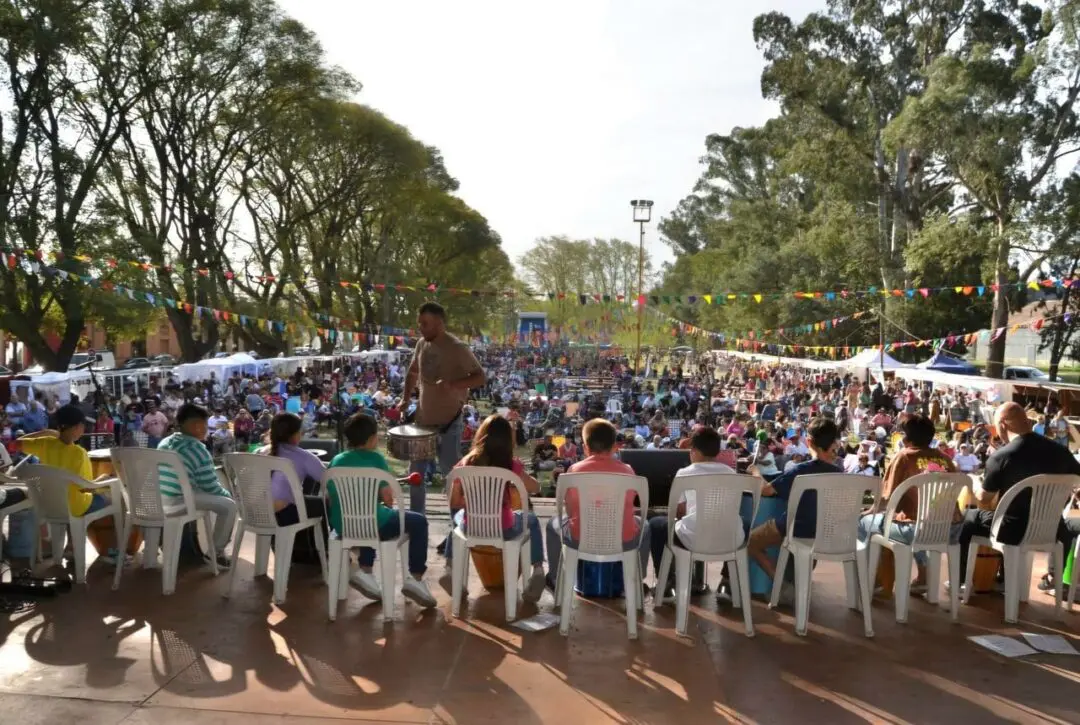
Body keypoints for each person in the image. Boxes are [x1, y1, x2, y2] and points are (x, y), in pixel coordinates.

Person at [955, 402, 1080, 597]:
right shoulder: (1060, 452)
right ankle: (1005, 579)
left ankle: (962, 583)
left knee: (971, 517)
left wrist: (973, 482)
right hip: (1052, 530)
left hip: (1011, 531)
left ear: (1002, 425)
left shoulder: (1002, 456)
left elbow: (984, 498)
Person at [327, 412, 436, 608]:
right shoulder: (376, 460)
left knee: (368, 517)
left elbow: (330, 495)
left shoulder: (337, 460)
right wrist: (383, 499)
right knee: (418, 521)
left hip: (343, 525)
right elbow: (387, 498)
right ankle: (416, 578)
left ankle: (366, 571)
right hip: (372, 522)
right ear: (371, 438)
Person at [392, 302, 486, 514]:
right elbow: (412, 372)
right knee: (415, 475)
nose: (421, 329)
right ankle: (418, 520)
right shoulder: (421, 344)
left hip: (449, 423)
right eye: (420, 324)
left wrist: (454, 385)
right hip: (422, 422)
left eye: (425, 324)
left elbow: (480, 377)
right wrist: (405, 398)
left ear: (439, 324)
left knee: (452, 476)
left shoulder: (457, 348)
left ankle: (458, 524)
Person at [447, 414, 546, 602]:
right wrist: (534, 483)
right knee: (530, 519)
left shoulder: (466, 462)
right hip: (504, 529)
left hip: (472, 527)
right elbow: (534, 487)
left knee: (456, 519)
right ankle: (538, 569)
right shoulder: (511, 464)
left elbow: (454, 501)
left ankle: (449, 567)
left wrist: (471, 503)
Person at [544, 418, 650, 589]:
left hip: (580, 539)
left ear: (585, 447)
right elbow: (628, 507)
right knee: (645, 526)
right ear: (615, 446)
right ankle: (637, 580)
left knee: (552, 525)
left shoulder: (574, 471)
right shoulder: (628, 471)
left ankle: (555, 578)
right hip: (623, 540)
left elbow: (570, 512)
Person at [746, 417, 845, 600]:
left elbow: (766, 490)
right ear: (833, 444)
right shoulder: (840, 474)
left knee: (750, 542)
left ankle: (780, 585)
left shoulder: (799, 470)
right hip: (824, 533)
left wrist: (755, 471)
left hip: (793, 528)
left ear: (809, 442)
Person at [857, 413, 957, 594]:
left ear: (906, 437)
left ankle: (873, 581)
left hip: (915, 530)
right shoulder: (946, 459)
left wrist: (866, 510)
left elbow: (885, 499)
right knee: (916, 519)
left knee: (864, 522)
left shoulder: (903, 457)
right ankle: (924, 577)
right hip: (948, 530)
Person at [646, 426, 735, 596]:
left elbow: (678, 512)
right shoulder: (732, 473)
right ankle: (727, 581)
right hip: (728, 537)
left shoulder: (685, 473)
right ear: (717, 452)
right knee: (744, 523)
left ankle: (667, 582)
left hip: (693, 537)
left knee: (657, 524)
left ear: (693, 451)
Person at [157, 404, 237, 566]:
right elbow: (211, 487)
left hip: (159, 500)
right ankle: (216, 553)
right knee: (229, 506)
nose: (207, 429)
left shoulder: (165, 442)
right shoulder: (198, 449)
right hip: (179, 501)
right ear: (197, 426)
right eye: (205, 425)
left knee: (210, 497)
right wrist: (230, 496)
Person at [15, 404, 112, 518]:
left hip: (50, 505)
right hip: (75, 509)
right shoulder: (79, 453)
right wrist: (104, 478)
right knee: (110, 498)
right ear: (78, 427)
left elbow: (17, 444)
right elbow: (87, 488)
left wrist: (47, 432)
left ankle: (73, 533)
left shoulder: (45, 443)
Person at [267, 412, 328, 564]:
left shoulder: (260, 452)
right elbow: (328, 479)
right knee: (325, 504)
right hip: (284, 514)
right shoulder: (303, 456)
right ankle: (325, 551)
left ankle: (291, 550)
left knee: (306, 501)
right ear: (295, 434)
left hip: (257, 512)